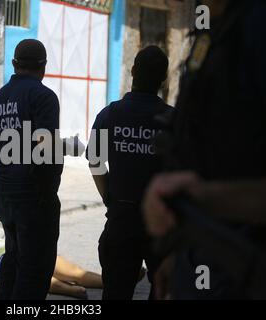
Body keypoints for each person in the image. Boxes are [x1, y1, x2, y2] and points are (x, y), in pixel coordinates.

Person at [142, 0, 266, 299]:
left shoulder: (265, 26)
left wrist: (207, 199)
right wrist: (177, 253)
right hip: (200, 266)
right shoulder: (213, 34)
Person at [0, 39, 83, 300]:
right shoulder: (43, 97)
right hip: (33, 198)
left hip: (4, 198)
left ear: (14, 64)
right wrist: (68, 147)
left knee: (12, 263)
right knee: (34, 271)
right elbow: (43, 147)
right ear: (43, 67)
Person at [86, 46, 173, 300]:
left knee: (115, 291)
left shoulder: (109, 114)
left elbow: (95, 160)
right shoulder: (173, 120)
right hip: (161, 223)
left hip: (121, 218)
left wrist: (108, 196)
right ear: (164, 79)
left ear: (133, 71)